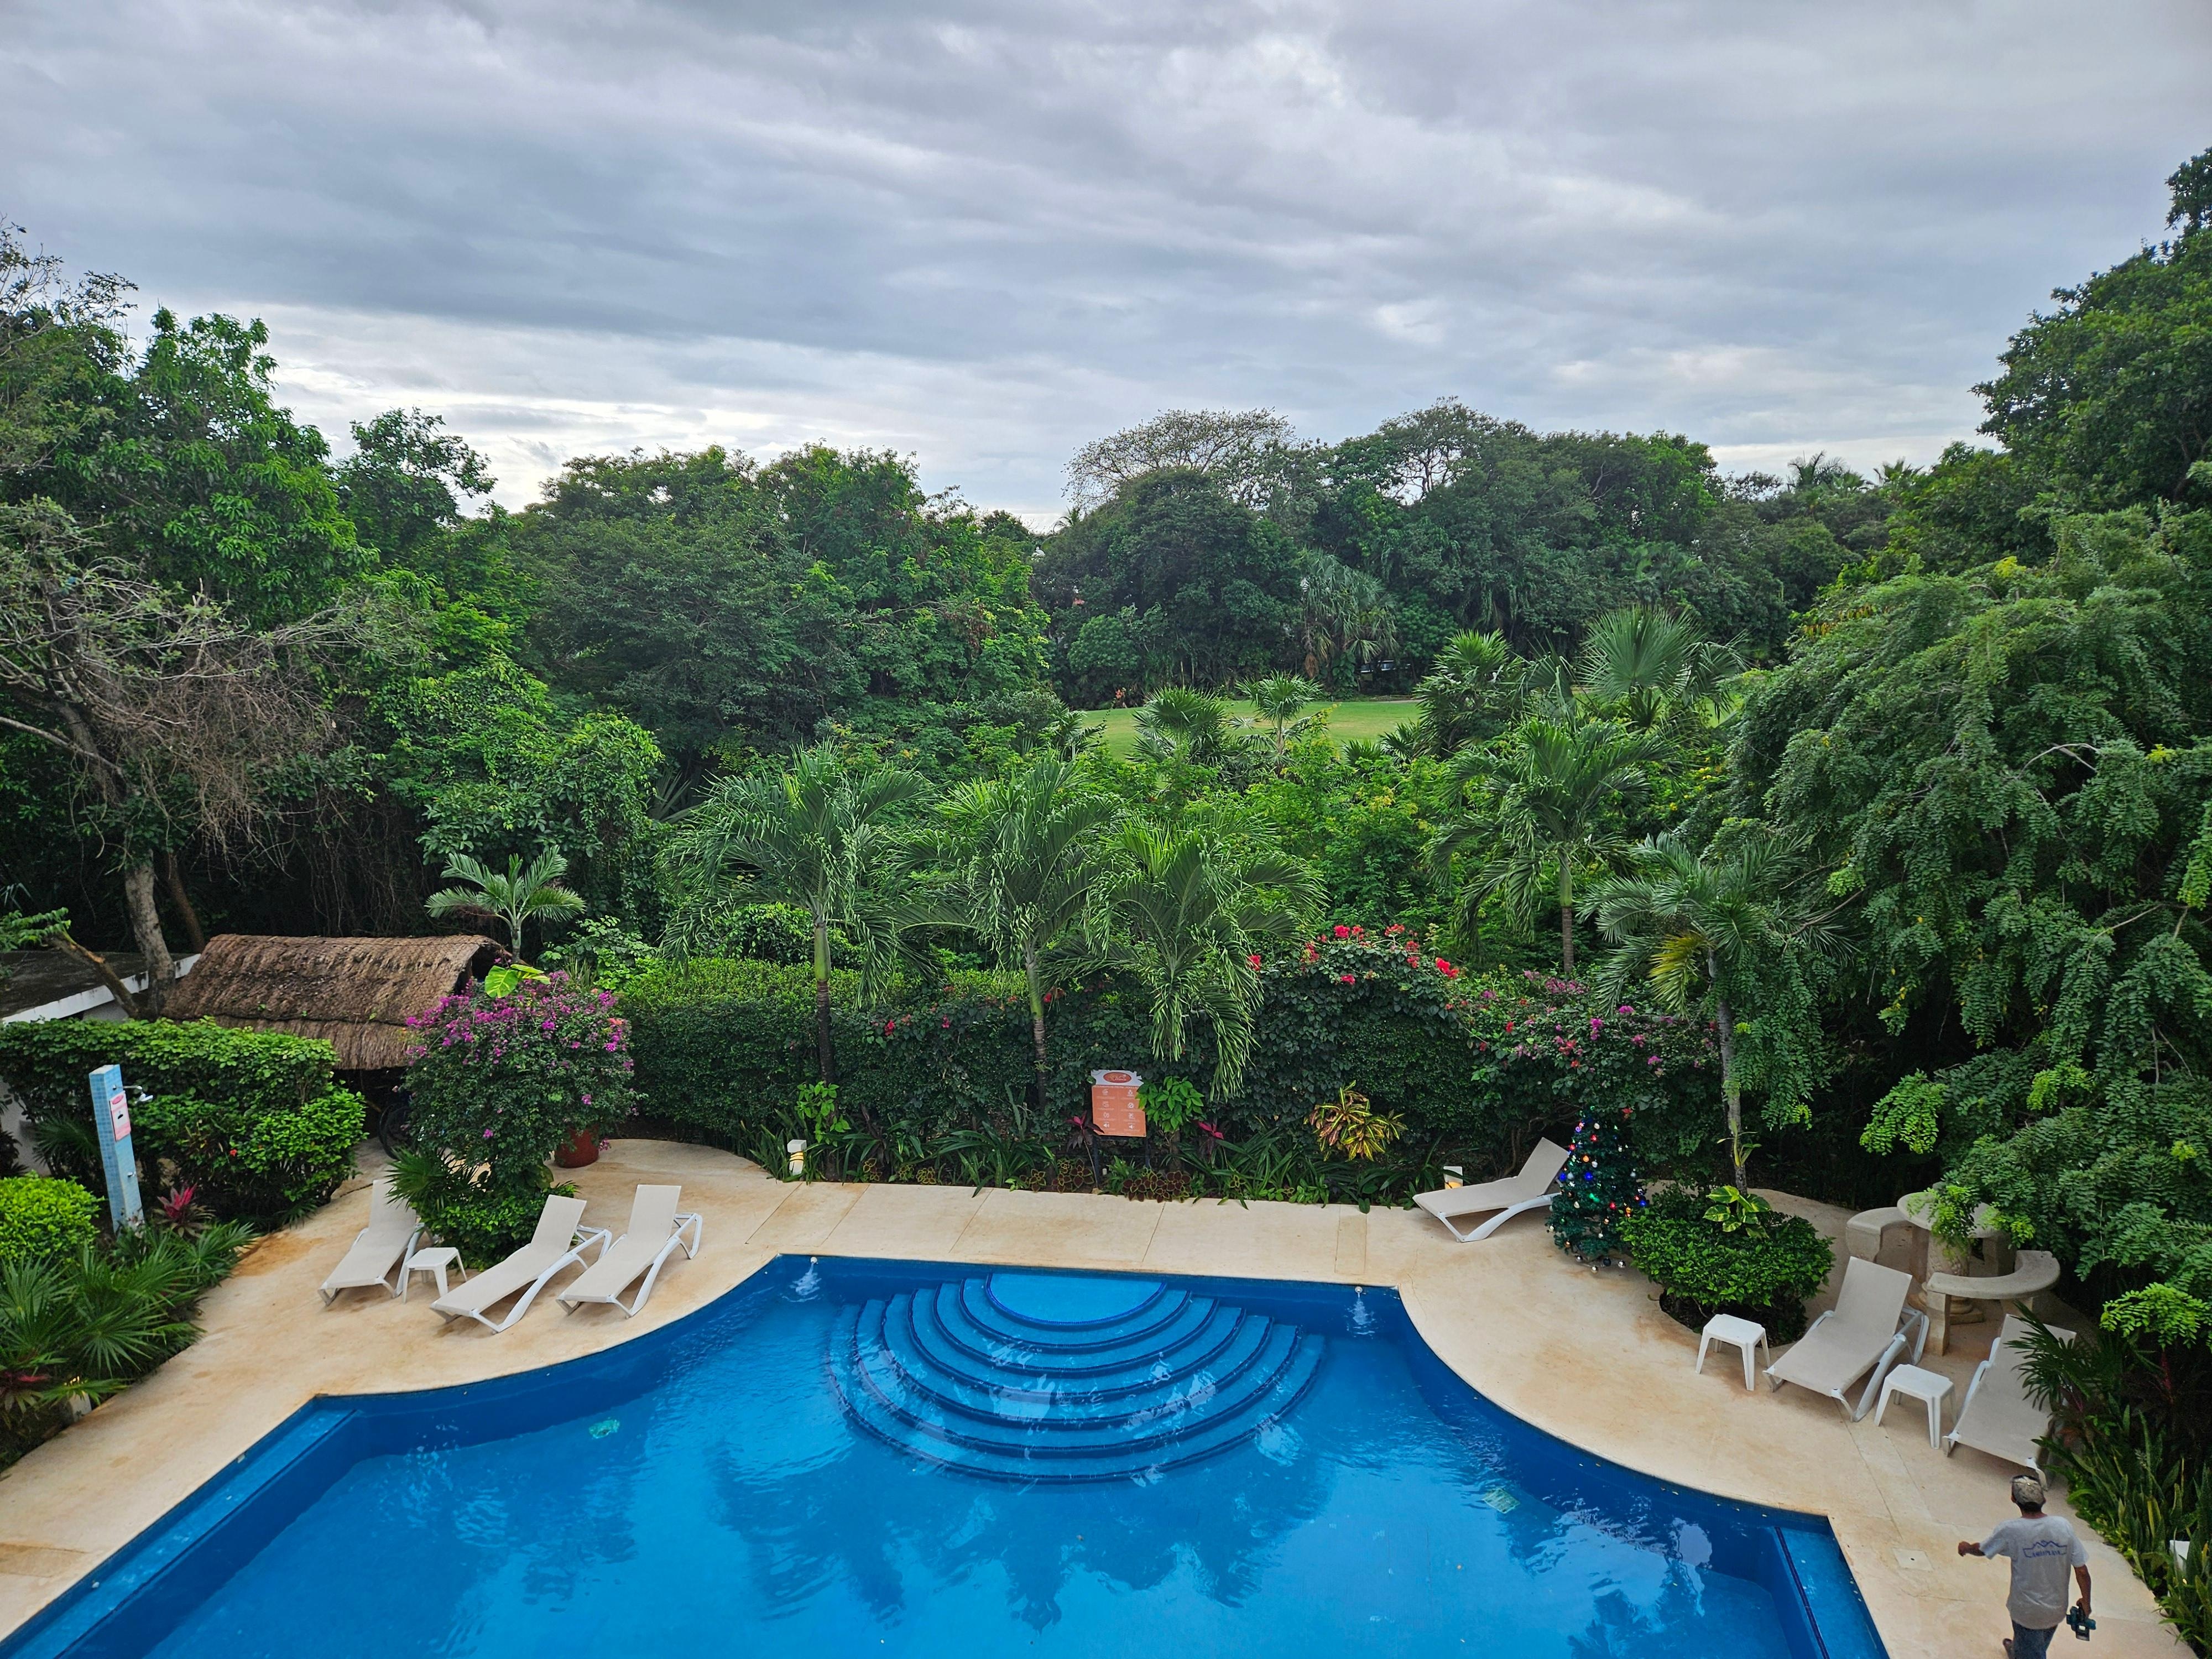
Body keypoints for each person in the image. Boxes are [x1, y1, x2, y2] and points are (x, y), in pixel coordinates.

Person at [1958, 1474, 2091, 1657]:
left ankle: (2023, 1653)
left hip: (2026, 1612)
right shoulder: (2063, 1526)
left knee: (2032, 1646)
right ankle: (2020, 1651)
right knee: (2038, 1642)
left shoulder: (2011, 1530)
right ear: (2043, 1499)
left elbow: (1982, 1549)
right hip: (2056, 1609)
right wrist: (2086, 1602)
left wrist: (1966, 1548)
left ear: (2014, 1499)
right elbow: (2082, 1571)